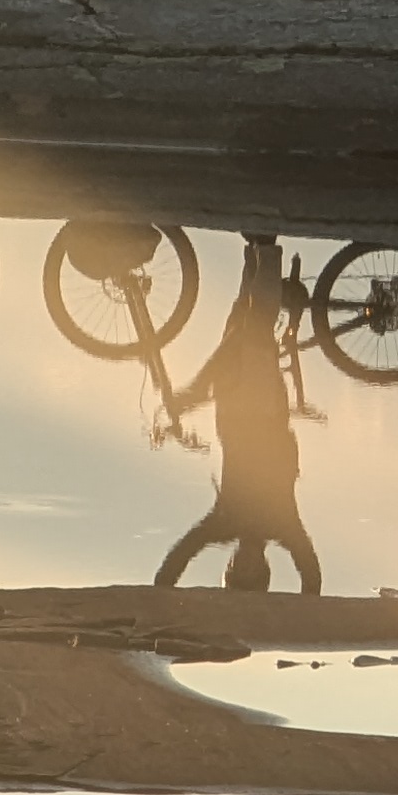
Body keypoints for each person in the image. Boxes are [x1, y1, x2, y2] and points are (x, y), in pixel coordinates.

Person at [152, 234, 321, 594]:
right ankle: (267, 249)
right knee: (256, 326)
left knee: (238, 321)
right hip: (262, 409)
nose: (244, 563)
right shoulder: (281, 524)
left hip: (232, 408)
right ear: (263, 568)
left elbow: (177, 560)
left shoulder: (225, 523)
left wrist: (160, 603)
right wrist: (303, 616)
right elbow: (311, 573)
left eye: (236, 570)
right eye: (251, 571)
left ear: (229, 565)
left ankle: (256, 249)